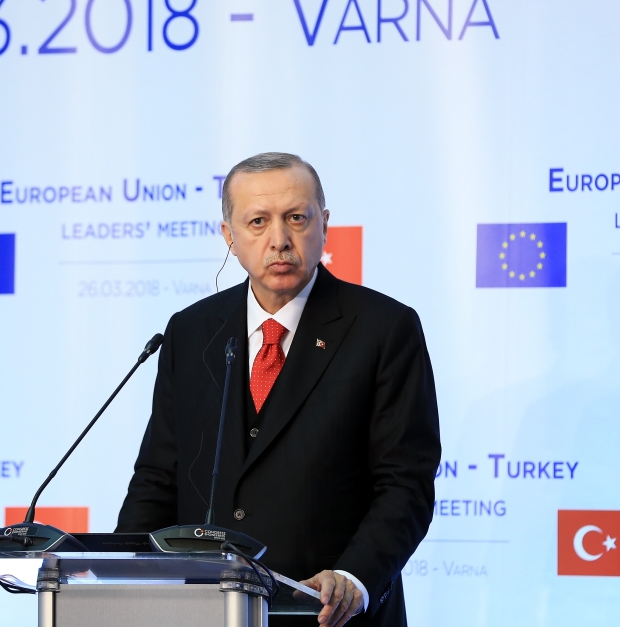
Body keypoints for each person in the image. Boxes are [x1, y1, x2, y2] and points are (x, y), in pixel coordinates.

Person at [116, 152, 441, 627]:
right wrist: (119, 574)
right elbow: (159, 478)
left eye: (296, 218)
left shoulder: (384, 328)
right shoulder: (191, 332)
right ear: (229, 235)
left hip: (328, 614)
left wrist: (354, 575)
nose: (280, 240)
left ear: (324, 224)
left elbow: (405, 484)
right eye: (257, 222)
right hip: (210, 612)